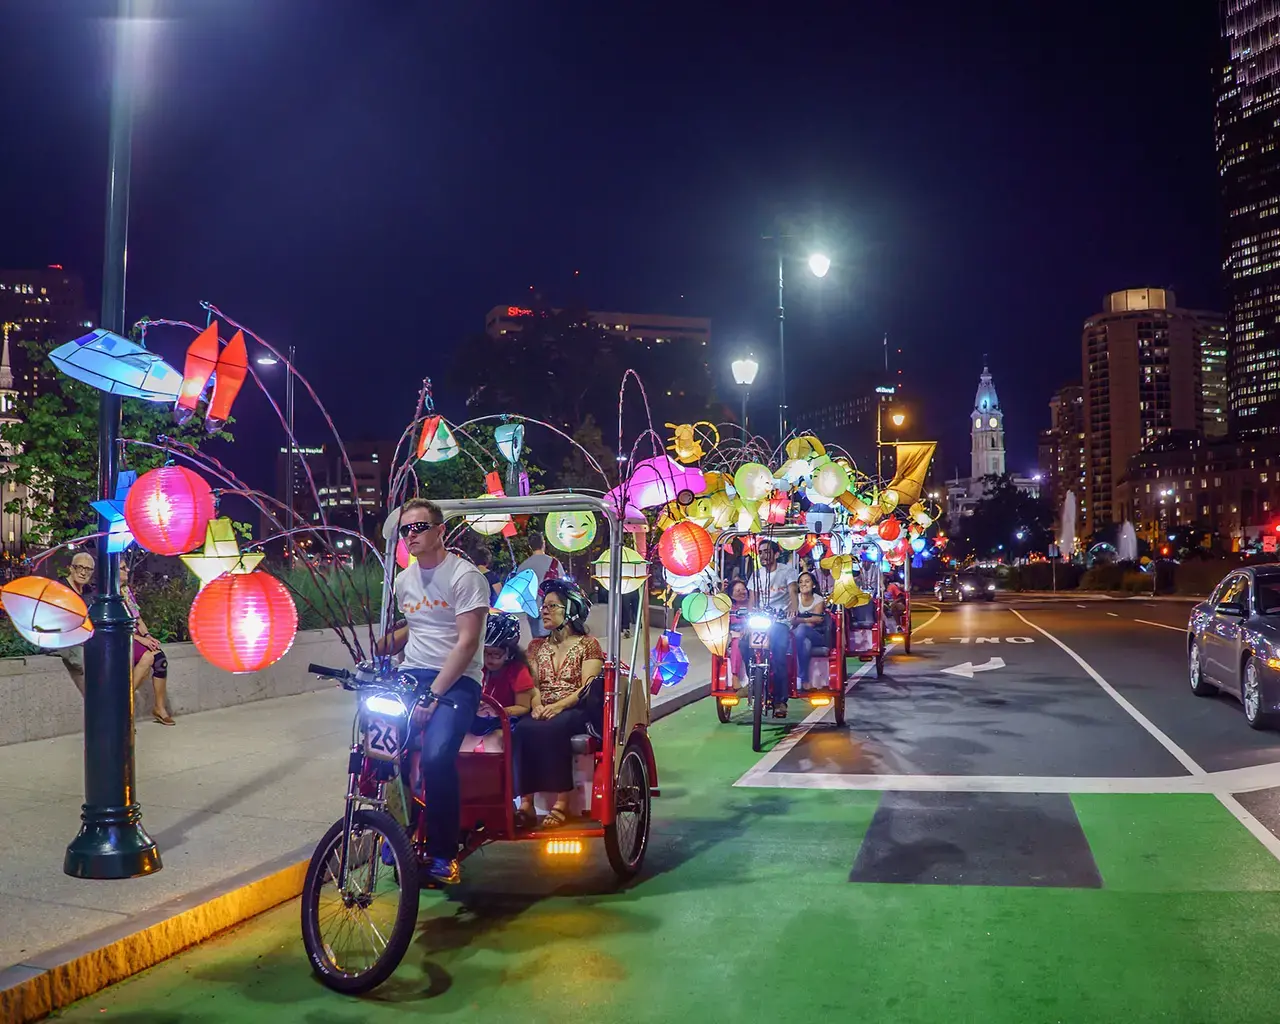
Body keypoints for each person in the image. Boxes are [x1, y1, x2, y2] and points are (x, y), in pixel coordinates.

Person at [376, 498, 488, 886]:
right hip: (411, 675)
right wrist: (385, 645)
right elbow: (418, 627)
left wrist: (434, 695)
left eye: (420, 527)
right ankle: (396, 830)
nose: (412, 536)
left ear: (440, 531)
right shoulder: (404, 580)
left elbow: (466, 643)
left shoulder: (465, 576)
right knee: (379, 747)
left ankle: (444, 852)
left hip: (457, 680)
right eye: (406, 530)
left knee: (439, 756)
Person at [512, 577, 603, 829]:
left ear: (571, 610)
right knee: (521, 729)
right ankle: (526, 805)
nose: (544, 610)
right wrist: (537, 704)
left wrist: (559, 706)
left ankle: (562, 801)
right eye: (544, 605)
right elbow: (533, 684)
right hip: (545, 706)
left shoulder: (588, 645)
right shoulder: (535, 646)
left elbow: (588, 686)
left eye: (552, 606)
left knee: (555, 727)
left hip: (575, 708)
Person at [737, 540, 797, 716]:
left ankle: (780, 701)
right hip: (760, 621)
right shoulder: (756, 575)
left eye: (767, 552)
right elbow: (752, 601)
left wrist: (794, 608)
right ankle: (753, 682)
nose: (763, 555)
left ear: (776, 554)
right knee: (743, 644)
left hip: (780, 621)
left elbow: (793, 592)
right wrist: (748, 621)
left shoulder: (787, 571)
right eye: (761, 552)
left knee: (779, 655)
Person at [120, 563, 174, 725]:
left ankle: (159, 708)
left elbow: (138, 619)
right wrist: (140, 639)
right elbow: (119, 627)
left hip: (135, 636)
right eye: (123, 568)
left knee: (160, 659)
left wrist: (147, 635)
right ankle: (123, 706)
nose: (127, 570)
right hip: (122, 637)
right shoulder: (109, 594)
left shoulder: (126, 591)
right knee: (147, 657)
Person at [471, 613, 534, 736]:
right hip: (479, 719)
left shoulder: (518, 671)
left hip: (505, 721)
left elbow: (523, 706)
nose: (489, 659)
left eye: (496, 654)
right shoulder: (478, 667)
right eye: (485, 652)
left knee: (495, 741)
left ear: (509, 653)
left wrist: (499, 711)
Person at [56, 551, 96, 694]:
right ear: (71, 568)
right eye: (80, 567)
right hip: (64, 639)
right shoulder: (60, 589)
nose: (83, 573)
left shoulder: (89, 592)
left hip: (84, 638)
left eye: (88, 569)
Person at [517, 531, 561, 639]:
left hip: (532, 609)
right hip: (552, 608)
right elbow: (561, 585)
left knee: (537, 641)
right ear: (544, 543)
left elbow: (520, 591)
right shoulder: (554, 563)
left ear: (530, 546)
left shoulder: (523, 567)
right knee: (553, 641)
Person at [791, 570, 827, 685]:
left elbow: (816, 621)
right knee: (805, 644)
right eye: (801, 582)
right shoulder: (794, 599)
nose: (803, 584)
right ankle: (804, 679)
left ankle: (798, 677)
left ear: (814, 585)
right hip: (798, 636)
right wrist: (807, 619)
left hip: (816, 634)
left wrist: (800, 620)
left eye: (807, 581)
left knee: (801, 629)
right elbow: (791, 619)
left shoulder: (818, 599)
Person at [726, 577, 752, 685]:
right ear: (732, 595)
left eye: (743, 589)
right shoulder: (729, 608)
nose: (742, 592)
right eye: (738, 591)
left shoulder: (753, 605)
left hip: (755, 636)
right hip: (736, 636)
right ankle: (735, 676)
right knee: (737, 643)